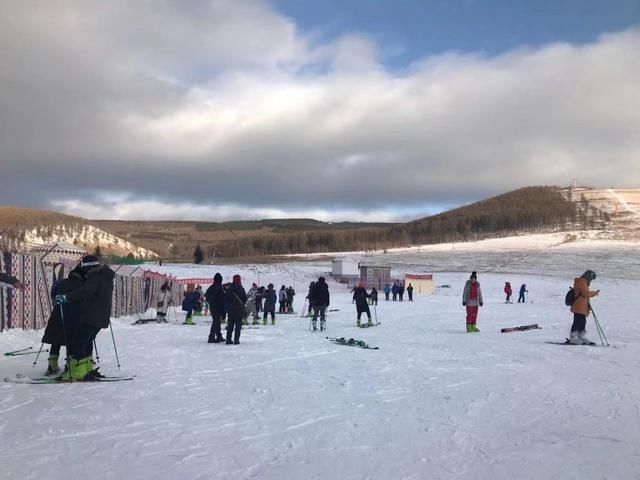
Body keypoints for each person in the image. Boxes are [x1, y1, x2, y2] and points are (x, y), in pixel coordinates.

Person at [53, 255, 115, 380]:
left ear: (87, 266)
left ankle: (78, 372)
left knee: (79, 341)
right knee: (86, 340)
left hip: (92, 316)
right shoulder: (106, 277)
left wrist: (66, 297)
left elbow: (85, 291)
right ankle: (87, 369)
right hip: (101, 317)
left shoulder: (95, 277)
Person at [42, 267, 84, 375]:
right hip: (73, 318)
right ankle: (69, 366)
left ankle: (52, 366)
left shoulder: (60, 283)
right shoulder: (82, 285)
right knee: (71, 342)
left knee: (56, 341)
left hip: (57, 315)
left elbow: (53, 297)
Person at [568, 270, 600, 344]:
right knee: (577, 321)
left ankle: (580, 336)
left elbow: (584, 296)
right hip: (578, 306)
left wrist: (588, 305)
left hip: (582, 306)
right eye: (591, 278)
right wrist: (594, 293)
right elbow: (585, 293)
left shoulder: (584, 283)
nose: (591, 280)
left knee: (582, 322)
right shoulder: (582, 282)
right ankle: (573, 337)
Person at [224, 274, 247, 345]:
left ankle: (228, 339)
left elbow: (226, 299)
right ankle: (236, 340)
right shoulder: (241, 289)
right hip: (239, 310)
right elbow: (245, 299)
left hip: (231, 310)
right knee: (238, 326)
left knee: (230, 325)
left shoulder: (229, 289)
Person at [205, 273, 226, 343]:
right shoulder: (220, 288)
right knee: (216, 322)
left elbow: (207, 296)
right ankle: (211, 336)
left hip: (213, 307)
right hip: (218, 307)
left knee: (217, 322)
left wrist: (212, 302)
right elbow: (222, 300)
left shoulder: (211, 287)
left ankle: (218, 335)